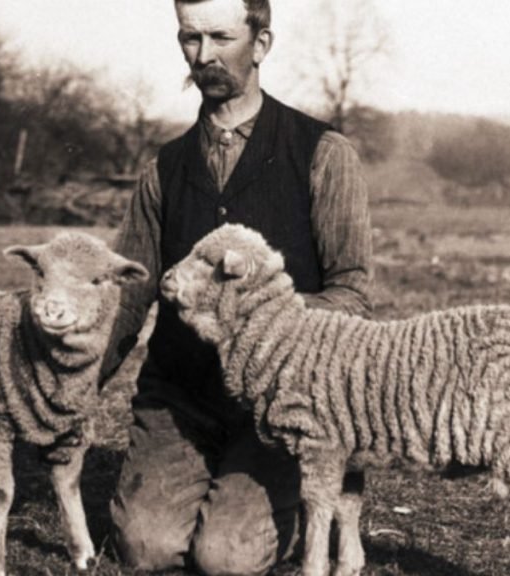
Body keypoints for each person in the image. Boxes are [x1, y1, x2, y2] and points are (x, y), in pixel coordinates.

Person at [100, 0, 372, 573]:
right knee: (145, 548)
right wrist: (72, 386)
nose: (204, 56)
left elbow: (350, 294)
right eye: (189, 38)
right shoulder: (164, 168)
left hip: (280, 406)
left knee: (226, 559)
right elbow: (127, 294)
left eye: (221, 37)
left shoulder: (323, 154)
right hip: (181, 394)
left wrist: (264, 327)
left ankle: (300, 512)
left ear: (262, 43)